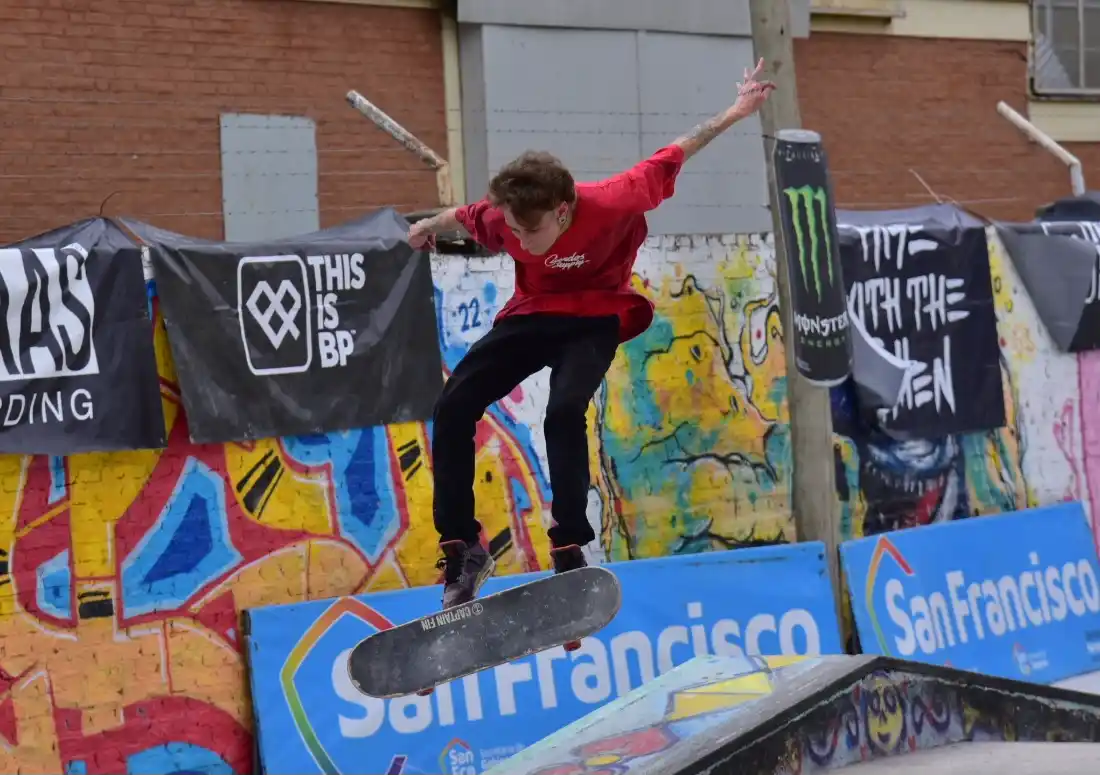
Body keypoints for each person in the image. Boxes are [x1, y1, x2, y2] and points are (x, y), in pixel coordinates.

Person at [408, 60, 776, 610]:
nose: (519, 241)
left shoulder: (616, 198)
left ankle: (570, 543)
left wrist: (737, 110)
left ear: (562, 210)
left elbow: (677, 150)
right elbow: (461, 215)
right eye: (510, 229)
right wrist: (425, 229)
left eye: (529, 232)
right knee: (454, 403)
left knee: (563, 410)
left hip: (597, 317)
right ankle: (464, 547)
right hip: (532, 315)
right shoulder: (503, 217)